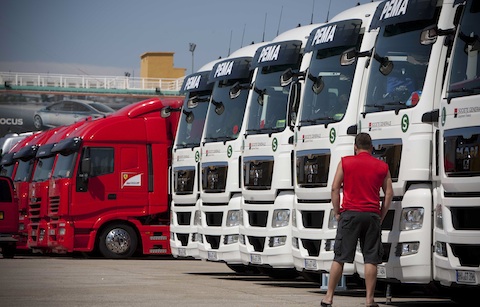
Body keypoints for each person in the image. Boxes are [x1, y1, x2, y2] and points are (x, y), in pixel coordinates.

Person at [321, 132, 393, 307]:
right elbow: (389, 193)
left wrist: (337, 212)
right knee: (371, 258)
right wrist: (381, 214)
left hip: (350, 214)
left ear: (355, 147)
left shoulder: (346, 162)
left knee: (340, 257)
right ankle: (369, 299)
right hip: (371, 215)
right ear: (372, 147)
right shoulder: (382, 166)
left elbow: (334, 188)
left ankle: (328, 297)